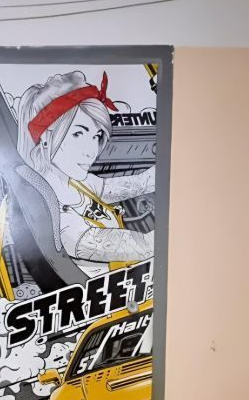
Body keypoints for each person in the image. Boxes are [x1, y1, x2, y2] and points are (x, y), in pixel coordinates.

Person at [17, 70, 154, 278]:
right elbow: (143, 247)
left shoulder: (77, 182)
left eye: (96, 136)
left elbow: (139, 183)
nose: (92, 151)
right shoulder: (53, 209)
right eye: (78, 133)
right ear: (46, 136)